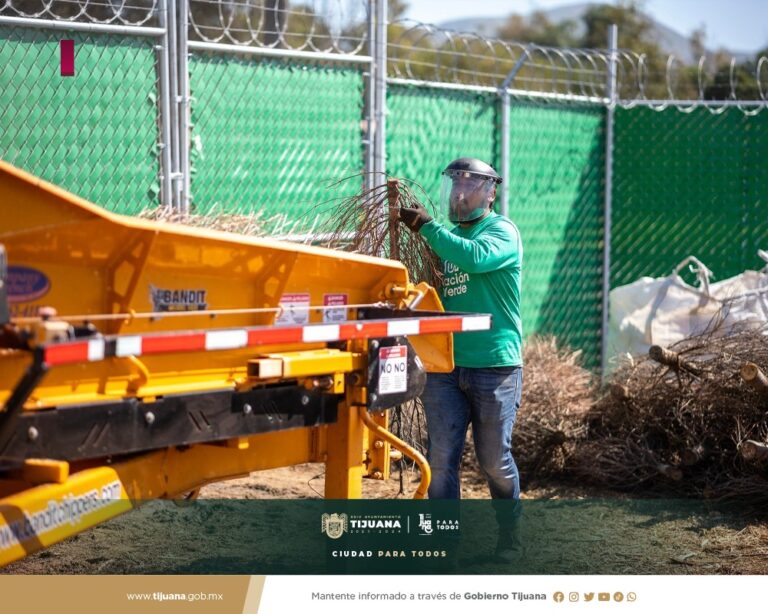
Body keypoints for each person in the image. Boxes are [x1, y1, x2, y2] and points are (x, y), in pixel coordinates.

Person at [399, 157, 524, 563]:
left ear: (491, 192)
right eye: (454, 185)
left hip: (494, 366)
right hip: (446, 368)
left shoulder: (502, 233)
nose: (459, 193)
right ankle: (444, 543)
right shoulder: (447, 239)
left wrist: (428, 229)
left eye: (469, 185)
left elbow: (475, 259)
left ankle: (509, 536)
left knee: (493, 461)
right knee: (440, 458)